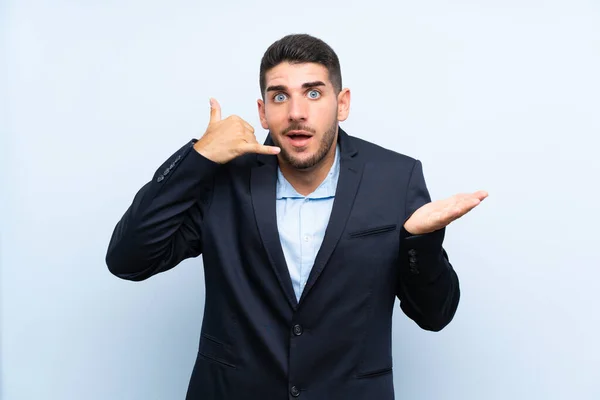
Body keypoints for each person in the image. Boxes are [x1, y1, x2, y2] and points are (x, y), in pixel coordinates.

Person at [105, 33, 488, 400]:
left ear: (342, 104)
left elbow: (435, 314)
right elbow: (128, 260)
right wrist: (199, 156)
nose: (296, 113)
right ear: (263, 112)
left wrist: (418, 242)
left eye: (314, 93)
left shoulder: (394, 179)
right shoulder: (222, 178)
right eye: (279, 96)